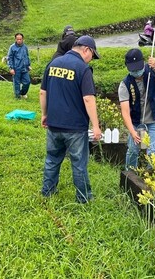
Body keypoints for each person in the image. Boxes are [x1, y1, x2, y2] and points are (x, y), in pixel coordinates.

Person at [40, 35, 102, 203]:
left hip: (54, 124)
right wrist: (96, 126)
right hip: (75, 127)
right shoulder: (83, 69)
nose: (91, 60)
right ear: (86, 50)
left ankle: (47, 192)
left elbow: (42, 92)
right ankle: (83, 198)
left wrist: (45, 114)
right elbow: (88, 98)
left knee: (52, 159)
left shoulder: (53, 64)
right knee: (79, 163)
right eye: (92, 56)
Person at [118, 48, 155, 170]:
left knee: (154, 152)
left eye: (138, 68)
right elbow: (125, 112)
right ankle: (130, 176)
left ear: (143, 62)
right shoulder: (125, 84)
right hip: (137, 122)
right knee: (133, 150)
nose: (137, 71)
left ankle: (152, 180)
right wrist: (132, 131)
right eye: (133, 69)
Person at [7, 32, 31, 99]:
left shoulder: (25, 47)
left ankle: (23, 93)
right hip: (16, 68)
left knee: (27, 82)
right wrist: (11, 68)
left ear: (23, 39)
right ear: (15, 39)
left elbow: (27, 56)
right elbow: (9, 58)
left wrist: (28, 65)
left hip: (24, 68)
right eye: (18, 39)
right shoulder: (12, 47)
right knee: (16, 83)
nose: (19, 40)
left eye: (20, 39)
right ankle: (17, 96)